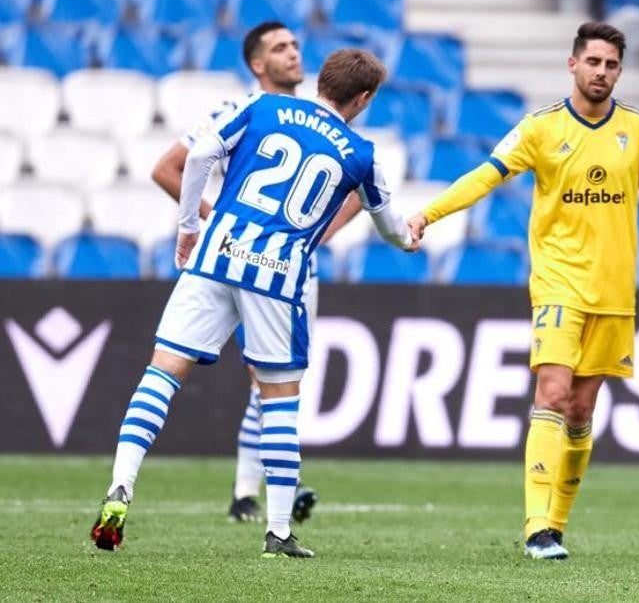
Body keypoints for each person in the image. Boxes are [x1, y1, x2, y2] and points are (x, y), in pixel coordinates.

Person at [91, 49, 418, 558]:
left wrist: (189, 226)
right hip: (278, 278)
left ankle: (120, 486)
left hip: (217, 255)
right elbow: (391, 229)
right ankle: (279, 531)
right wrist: (410, 236)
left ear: (320, 81)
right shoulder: (362, 153)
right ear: (364, 98)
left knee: (161, 374)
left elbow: (198, 157)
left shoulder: (262, 107)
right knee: (280, 399)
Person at [410, 22, 639, 560]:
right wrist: (428, 214)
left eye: (611, 65)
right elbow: (485, 175)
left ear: (619, 71)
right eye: (594, 62)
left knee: (581, 411)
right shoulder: (540, 128)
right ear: (573, 64)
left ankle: (556, 524)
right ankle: (535, 526)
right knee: (552, 394)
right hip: (558, 282)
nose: (601, 72)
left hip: (614, 291)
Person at [151, 20, 363, 524]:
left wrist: (312, 237)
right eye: (279, 47)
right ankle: (258, 491)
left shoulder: (323, 119)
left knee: (271, 379)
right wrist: (216, 221)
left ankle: (248, 492)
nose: (293, 53)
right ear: (256, 64)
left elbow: (359, 191)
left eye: (295, 45)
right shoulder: (236, 110)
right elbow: (167, 168)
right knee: (248, 373)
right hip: (232, 259)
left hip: (292, 268)